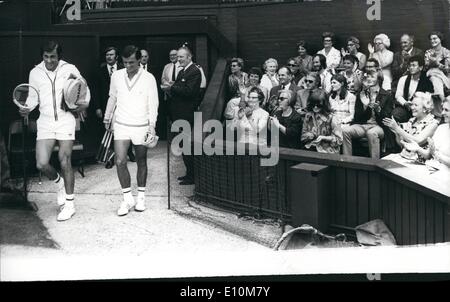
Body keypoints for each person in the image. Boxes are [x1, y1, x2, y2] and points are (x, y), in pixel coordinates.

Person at [19, 40, 91, 221]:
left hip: (65, 120)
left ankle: (69, 204)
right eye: (46, 56)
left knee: (64, 160)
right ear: (42, 56)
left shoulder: (70, 69)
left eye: (53, 57)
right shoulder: (35, 72)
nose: (49, 60)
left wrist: (84, 104)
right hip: (45, 122)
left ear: (60, 56)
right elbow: (33, 96)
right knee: (41, 164)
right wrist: (27, 107)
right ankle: (59, 183)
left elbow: (84, 88)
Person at [103, 45, 159, 216]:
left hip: (141, 126)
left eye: (132, 63)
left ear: (140, 60)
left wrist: (152, 125)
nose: (128, 66)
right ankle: (127, 198)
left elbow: (153, 102)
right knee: (120, 161)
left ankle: (141, 196)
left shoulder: (149, 78)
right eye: (125, 62)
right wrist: (107, 116)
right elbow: (112, 96)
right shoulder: (117, 76)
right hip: (121, 124)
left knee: (141, 161)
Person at [167, 45, 202, 185]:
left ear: (189, 57)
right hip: (179, 115)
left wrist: (172, 87)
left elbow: (189, 92)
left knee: (186, 145)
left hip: (186, 115)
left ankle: (192, 176)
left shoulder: (194, 72)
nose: (178, 59)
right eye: (178, 56)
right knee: (183, 145)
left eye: (181, 57)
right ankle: (189, 174)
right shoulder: (183, 72)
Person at [342, 70, 394, 159]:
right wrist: (366, 107)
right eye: (367, 77)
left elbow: (387, 117)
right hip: (363, 125)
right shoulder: (361, 94)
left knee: (372, 133)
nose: (369, 79)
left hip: (378, 126)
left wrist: (378, 110)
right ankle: (348, 161)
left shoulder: (386, 95)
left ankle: (375, 164)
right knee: (346, 131)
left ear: (379, 79)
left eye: (372, 77)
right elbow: (357, 116)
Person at [382, 92, 438, 161]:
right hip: (404, 157)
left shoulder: (433, 123)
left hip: (418, 162)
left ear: (425, 108)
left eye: (416, 105)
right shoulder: (412, 120)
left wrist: (397, 128)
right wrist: (396, 133)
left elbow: (417, 141)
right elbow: (401, 145)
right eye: (412, 104)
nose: (412, 107)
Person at [403, 97, 450, 170]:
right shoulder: (441, 128)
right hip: (431, 168)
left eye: (446, 110)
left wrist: (436, 154)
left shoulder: (435, 124)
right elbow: (428, 155)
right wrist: (417, 148)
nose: (442, 113)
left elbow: (435, 154)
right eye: (443, 109)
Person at [393, 55, 434, 123]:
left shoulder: (427, 82)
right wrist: (405, 103)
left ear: (420, 67)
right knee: (395, 114)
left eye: (414, 65)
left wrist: (417, 106)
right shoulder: (403, 79)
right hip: (406, 108)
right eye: (410, 65)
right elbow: (398, 96)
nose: (411, 67)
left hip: (420, 110)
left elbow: (428, 101)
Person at [424, 31, 450, 106]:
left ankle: (441, 99)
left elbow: (447, 69)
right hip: (431, 75)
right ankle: (444, 102)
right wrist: (431, 63)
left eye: (435, 38)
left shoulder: (446, 52)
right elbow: (425, 67)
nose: (432, 41)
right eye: (431, 39)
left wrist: (437, 63)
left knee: (436, 77)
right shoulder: (428, 52)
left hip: (445, 76)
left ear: (440, 39)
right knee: (434, 74)